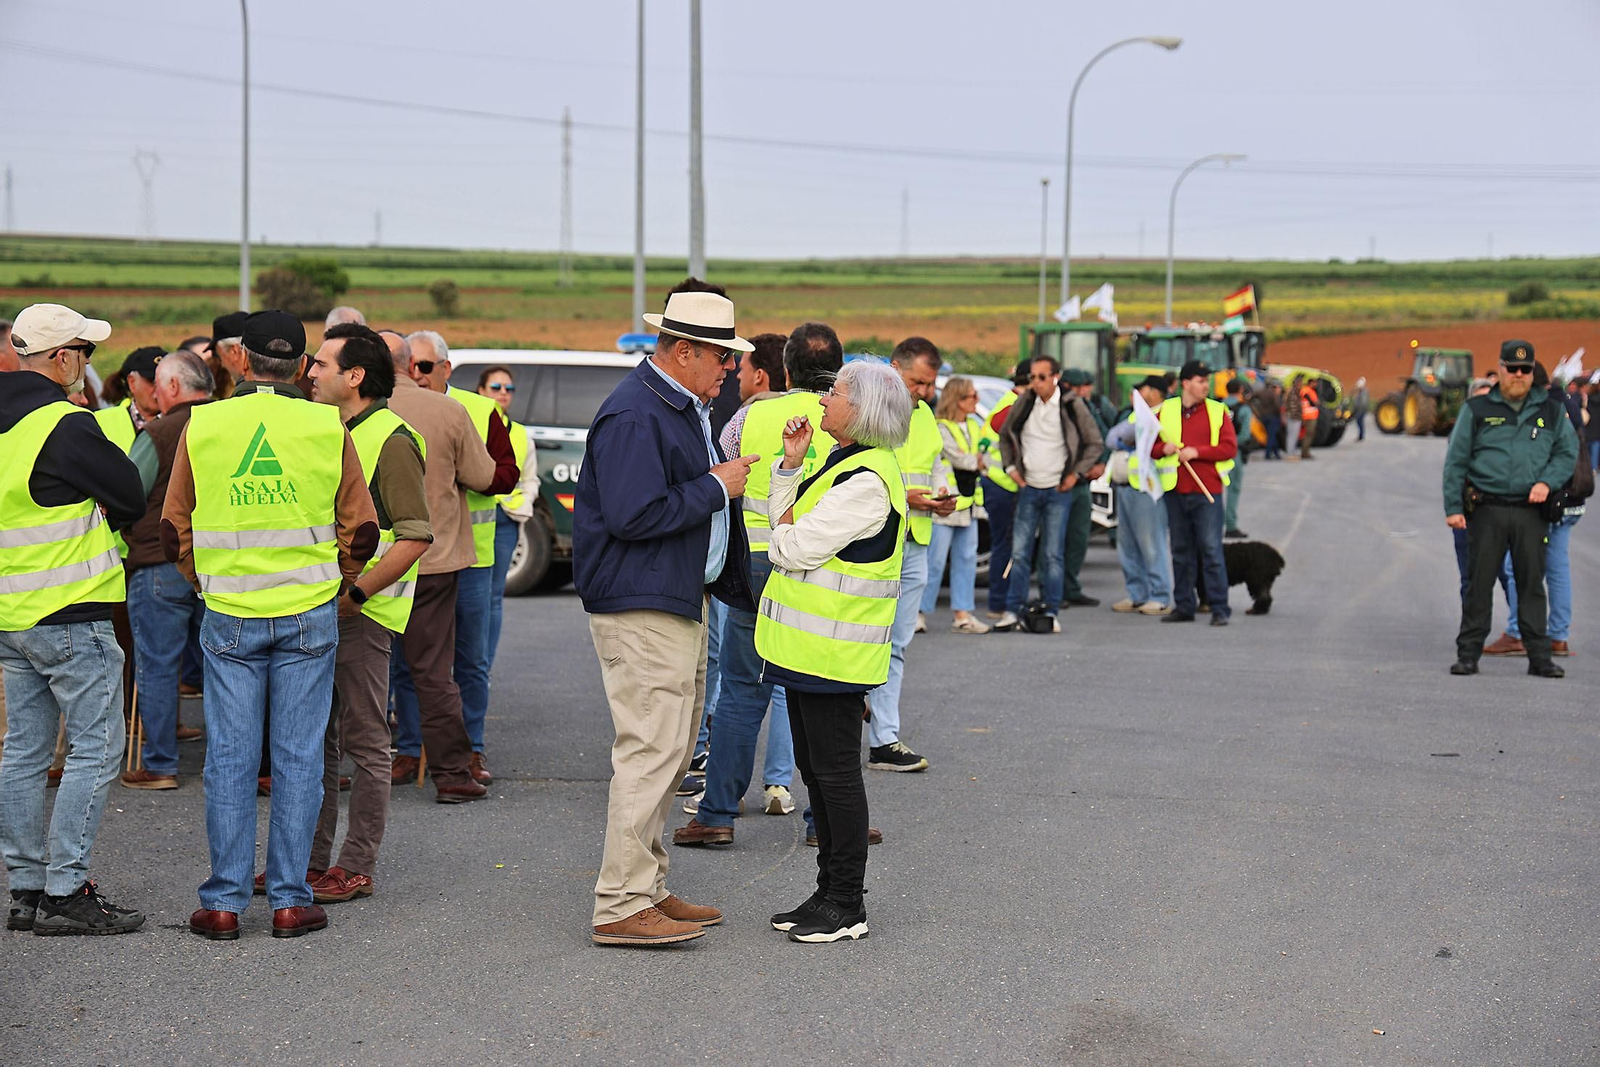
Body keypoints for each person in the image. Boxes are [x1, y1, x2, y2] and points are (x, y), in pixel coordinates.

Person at [164, 310, 378, 941]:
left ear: (240, 359)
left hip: (229, 612)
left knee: (230, 757)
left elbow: (174, 525)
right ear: (303, 366)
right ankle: (289, 900)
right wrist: (335, 580)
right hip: (308, 613)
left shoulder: (205, 424)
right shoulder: (327, 425)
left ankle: (224, 903)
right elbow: (362, 527)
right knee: (299, 757)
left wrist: (203, 581)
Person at [575, 289, 756, 947]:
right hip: (643, 601)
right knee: (652, 751)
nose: (730, 368)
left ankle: (645, 887)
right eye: (721, 356)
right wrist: (716, 487)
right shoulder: (637, 413)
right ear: (683, 351)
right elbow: (632, 514)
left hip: (671, 597)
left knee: (670, 751)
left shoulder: (672, 406)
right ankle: (622, 902)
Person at [1, 302, 147, 936]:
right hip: (70, 613)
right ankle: (66, 890)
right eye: (86, 352)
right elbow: (131, 493)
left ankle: (26, 889)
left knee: (23, 752)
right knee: (97, 747)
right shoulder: (64, 423)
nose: (89, 364)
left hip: (12, 615)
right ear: (62, 358)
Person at [756, 358, 912, 943]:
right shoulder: (841, 462)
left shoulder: (867, 480)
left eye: (836, 392)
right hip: (810, 654)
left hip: (835, 657)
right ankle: (828, 893)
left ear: (862, 410)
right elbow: (785, 526)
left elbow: (789, 546)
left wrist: (784, 527)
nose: (824, 399)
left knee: (835, 776)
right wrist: (790, 467)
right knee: (815, 771)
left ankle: (847, 903)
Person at [674, 329, 822, 848]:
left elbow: (719, 476)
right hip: (822, 576)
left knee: (740, 690)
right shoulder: (846, 421)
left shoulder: (748, 418)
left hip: (756, 566)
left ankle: (717, 814)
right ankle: (824, 821)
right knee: (816, 695)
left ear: (786, 369)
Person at [305, 323, 432, 904]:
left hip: (361, 614)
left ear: (355, 376)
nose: (311, 373)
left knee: (365, 741)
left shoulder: (392, 439)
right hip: (317, 609)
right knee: (313, 743)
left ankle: (355, 865)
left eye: (322, 364)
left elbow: (415, 536)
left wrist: (355, 597)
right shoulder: (326, 429)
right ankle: (306, 862)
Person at [378, 330, 492, 803]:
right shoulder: (449, 410)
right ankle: (451, 774)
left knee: (365, 671)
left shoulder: (348, 414)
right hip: (432, 561)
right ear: (411, 365)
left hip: (366, 566)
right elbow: (483, 476)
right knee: (433, 671)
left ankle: (365, 763)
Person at [402, 330, 519, 783]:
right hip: (410, 555)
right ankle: (409, 749)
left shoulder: (479, 410)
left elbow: (504, 475)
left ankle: (471, 749)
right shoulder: (393, 406)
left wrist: (459, 471)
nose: (416, 374)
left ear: (446, 368)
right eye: (409, 366)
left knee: (470, 660)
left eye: (425, 366)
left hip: (471, 557)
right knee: (408, 660)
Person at [1443, 341, 1576, 678]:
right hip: (1487, 509)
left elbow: (1567, 452)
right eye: (1512, 368)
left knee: (1531, 585)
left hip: (1531, 511)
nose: (1518, 375)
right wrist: (1454, 507)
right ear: (1500, 369)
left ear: (1532, 373)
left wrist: (1547, 481)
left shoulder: (1550, 410)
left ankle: (1540, 658)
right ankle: (1468, 655)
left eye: (1525, 370)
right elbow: (1456, 460)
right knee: (1479, 584)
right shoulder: (1477, 409)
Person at [120, 351, 215, 789]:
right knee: (223, 666)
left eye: (159, 385)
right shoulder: (227, 425)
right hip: (218, 562)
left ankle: (160, 764)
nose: (155, 394)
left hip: (160, 562)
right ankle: (227, 760)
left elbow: (127, 493)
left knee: (157, 666)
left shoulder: (157, 433)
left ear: (174, 387)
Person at [860, 337, 950, 773]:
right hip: (880, 538)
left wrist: (946, 496)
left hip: (918, 536)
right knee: (866, 638)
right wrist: (904, 494)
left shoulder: (927, 414)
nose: (925, 391)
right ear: (895, 368)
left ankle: (884, 740)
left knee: (897, 643)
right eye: (918, 382)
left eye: (930, 384)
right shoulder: (869, 409)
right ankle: (860, 715)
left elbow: (936, 465)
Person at [992, 356, 1104, 633]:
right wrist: (1011, 468)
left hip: (1057, 489)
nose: (1036, 383)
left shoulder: (1071, 404)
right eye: (1032, 377)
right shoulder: (1025, 401)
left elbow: (1094, 442)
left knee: (1053, 554)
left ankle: (1051, 611)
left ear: (1056, 377)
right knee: (1020, 553)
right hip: (1029, 487)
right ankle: (1012, 610)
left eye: (1042, 377)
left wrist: (1075, 475)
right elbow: (1005, 434)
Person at [1156, 361, 1237, 626]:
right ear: (1186, 383)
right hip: (1176, 491)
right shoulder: (1166, 410)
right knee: (1180, 551)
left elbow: (1229, 448)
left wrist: (1197, 452)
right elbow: (1150, 446)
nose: (1206, 386)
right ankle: (1184, 606)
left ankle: (1219, 608)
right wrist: (1163, 449)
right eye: (1201, 381)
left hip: (1207, 491)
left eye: (1206, 381)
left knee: (1211, 550)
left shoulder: (1217, 411)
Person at [476, 365, 536, 677]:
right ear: (481, 391)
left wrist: (523, 506)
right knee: (469, 599)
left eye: (508, 389)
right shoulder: (470, 424)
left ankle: (482, 670)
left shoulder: (522, 434)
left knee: (493, 598)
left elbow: (530, 479)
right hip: (472, 521)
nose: (503, 393)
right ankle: (465, 669)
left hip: (505, 521)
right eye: (496, 387)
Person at [920, 375, 990, 633]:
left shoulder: (972, 425)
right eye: (972, 396)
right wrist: (976, 459)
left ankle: (962, 614)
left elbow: (981, 459)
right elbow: (964, 460)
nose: (977, 400)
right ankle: (918, 613)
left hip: (969, 506)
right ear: (958, 400)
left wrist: (976, 460)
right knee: (934, 563)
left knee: (966, 560)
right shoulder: (940, 427)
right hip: (946, 506)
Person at [1105, 375, 1175, 615]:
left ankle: (1160, 595)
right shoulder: (1138, 415)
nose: (1137, 394)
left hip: (1148, 488)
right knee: (1128, 544)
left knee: (1151, 543)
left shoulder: (1164, 414)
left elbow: (1119, 437)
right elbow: (1112, 438)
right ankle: (1137, 594)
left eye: (1142, 389)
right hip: (1128, 485)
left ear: (1154, 392)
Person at [979, 364, 1027, 618]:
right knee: (1004, 545)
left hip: (1000, 482)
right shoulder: (1013, 406)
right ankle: (999, 603)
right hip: (1003, 484)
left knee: (1006, 545)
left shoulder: (1008, 401)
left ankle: (1003, 601)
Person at [1059, 368, 1108, 608]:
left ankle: (1071, 588)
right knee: (1055, 540)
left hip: (1081, 484)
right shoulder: (1054, 407)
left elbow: (1102, 437)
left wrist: (1100, 463)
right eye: (1078, 387)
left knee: (1078, 538)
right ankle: (1053, 591)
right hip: (1059, 483)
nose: (1083, 392)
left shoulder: (1086, 407)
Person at [1222, 377, 1253, 539]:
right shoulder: (1244, 409)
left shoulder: (1217, 406)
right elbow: (1245, 435)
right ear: (1241, 389)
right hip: (1234, 453)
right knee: (1233, 489)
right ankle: (1231, 524)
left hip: (1214, 452)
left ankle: (1212, 524)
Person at [1253, 379, 1282, 461]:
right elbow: (1277, 406)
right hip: (1273, 416)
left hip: (1263, 416)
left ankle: (1276, 453)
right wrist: (1280, 414)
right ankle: (1268, 453)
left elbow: (1249, 398)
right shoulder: (1272, 394)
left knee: (1271, 434)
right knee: (1272, 435)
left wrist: (1255, 411)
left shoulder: (1260, 393)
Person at [1350, 377, 1370, 441]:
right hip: (1361, 409)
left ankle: (1361, 436)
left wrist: (1358, 409)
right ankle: (1361, 435)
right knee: (1359, 421)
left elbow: (1362, 402)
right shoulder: (1361, 392)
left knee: (1359, 421)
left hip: (1361, 410)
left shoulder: (1363, 392)